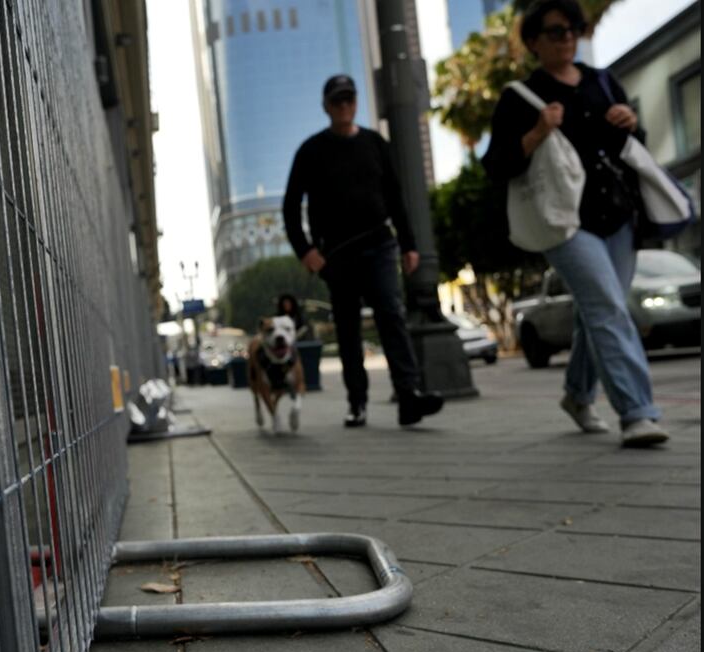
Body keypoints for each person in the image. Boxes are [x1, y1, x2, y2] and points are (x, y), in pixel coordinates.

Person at [482, 0, 668, 446]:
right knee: (607, 306)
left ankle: (577, 394)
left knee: (600, 311)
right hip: (564, 221)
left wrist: (631, 123)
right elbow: (496, 164)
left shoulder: (603, 82)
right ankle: (637, 413)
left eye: (573, 29)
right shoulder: (520, 97)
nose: (566, 36)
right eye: (555, 30)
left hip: (618, 215)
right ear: (533, 41)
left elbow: (629, 147)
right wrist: (535, 133)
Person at [282, 74, 443, 428]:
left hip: (380, 244)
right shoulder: (310, 151)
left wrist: (409, 243)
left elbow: (395, 196)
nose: (344, 106)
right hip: (336, 254)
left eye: (349, 100)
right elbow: (291, 206)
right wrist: (306, 250)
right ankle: (357, 401)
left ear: (356, 103)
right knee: (348, 328)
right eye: (337, 101)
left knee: (391, 313)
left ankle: (409, 395)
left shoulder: (374, 143)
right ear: (326, 106)